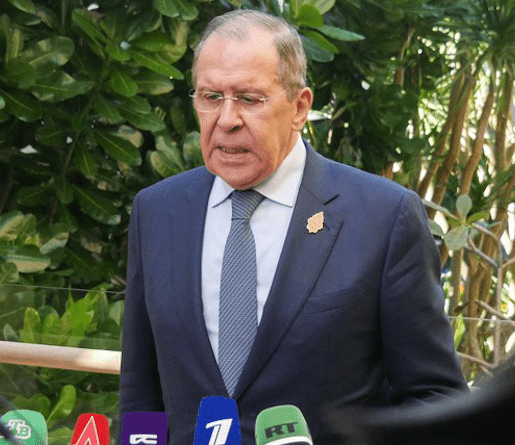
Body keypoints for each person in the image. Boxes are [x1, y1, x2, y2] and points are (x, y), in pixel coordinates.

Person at [118, 9, 467, 445]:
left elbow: (434, 398)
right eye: (210, 97)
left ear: (300, 107)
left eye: (249, 98)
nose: (227, 118)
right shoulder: (158, 211)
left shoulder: (383, 216)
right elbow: (141, 397)